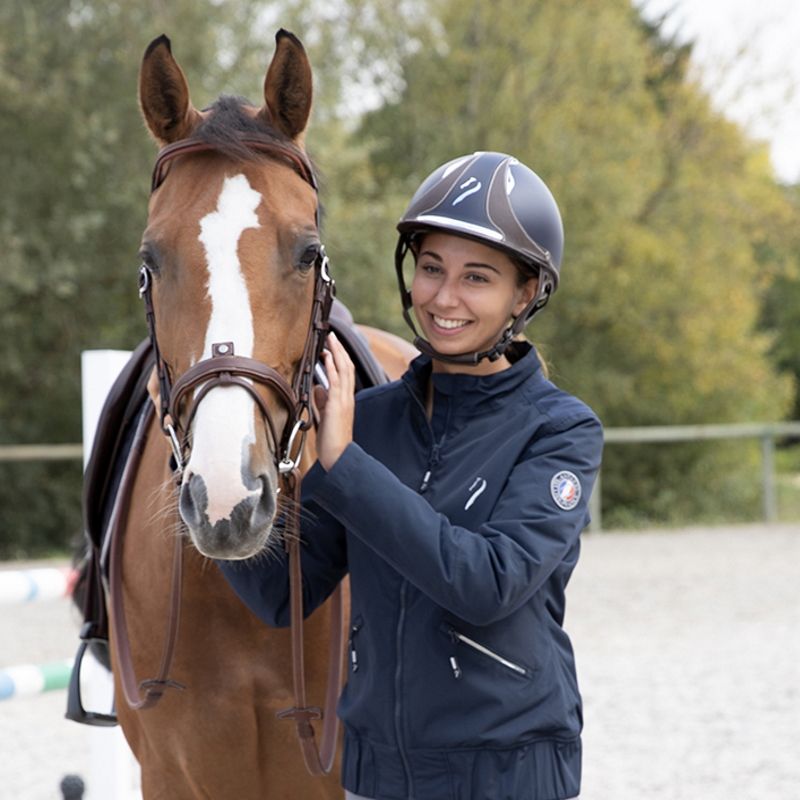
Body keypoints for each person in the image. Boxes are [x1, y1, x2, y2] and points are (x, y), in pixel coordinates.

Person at [219, 151, 603, 800]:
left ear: (526, 293)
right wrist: (207, 465)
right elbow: (281, 594)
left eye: (476, 278)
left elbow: (486, 583)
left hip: (506, 775)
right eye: (431, 269)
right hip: (377, 774)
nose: (443, 298)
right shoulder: (368, 419)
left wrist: (343, 466)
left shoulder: (561, 430)